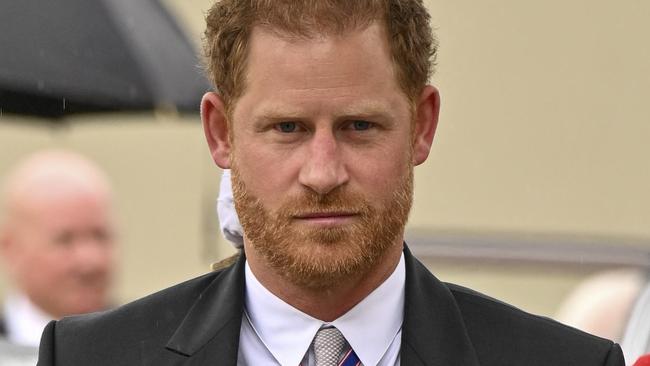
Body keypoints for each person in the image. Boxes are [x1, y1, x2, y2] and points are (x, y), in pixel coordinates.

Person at [37, 1, 625, 365]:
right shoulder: (92, 358)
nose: (323, 173)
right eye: (287, 128)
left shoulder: (565, 361)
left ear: (422, 127)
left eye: (359, 127)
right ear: (221, 133)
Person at [0, 150, 116, 349]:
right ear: (10, 248)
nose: (90, 261)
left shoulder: (153, 343)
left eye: (100, 236)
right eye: (65, 240)